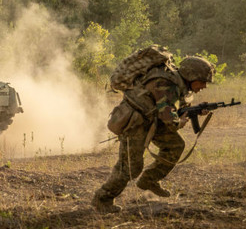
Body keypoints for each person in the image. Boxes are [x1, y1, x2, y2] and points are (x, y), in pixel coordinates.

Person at [91, 56, 215, 213]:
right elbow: (169, 118)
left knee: (175, 145)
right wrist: (180, 122)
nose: (204, 86)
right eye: (202, 81)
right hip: (135, 123)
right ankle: (102, 199)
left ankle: (149, 179)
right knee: (130, 167)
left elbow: (173, 108)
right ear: (191, 76)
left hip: (152, 120)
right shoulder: (166, 83)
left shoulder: (178, 83)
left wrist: (192, 111)